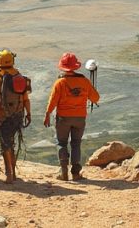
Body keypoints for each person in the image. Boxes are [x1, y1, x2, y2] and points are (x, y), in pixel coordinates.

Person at [43, 52, 100, 181]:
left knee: (61, 143)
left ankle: (63, 172)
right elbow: (96, 98)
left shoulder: (60, 82)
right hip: (80, 118)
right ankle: (75, 174)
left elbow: (53, 101)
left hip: (63, 118)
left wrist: (47, 114)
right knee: (76, 144)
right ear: (75, 67)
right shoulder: (84, 81)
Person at [0, 49, 32, 184]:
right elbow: (25, 98)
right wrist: (28, 113)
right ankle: (14, 172)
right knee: (12, 142)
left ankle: (9, 174)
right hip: (18, 114)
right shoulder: (18, 76)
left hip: (3, 116)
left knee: (5, 144)